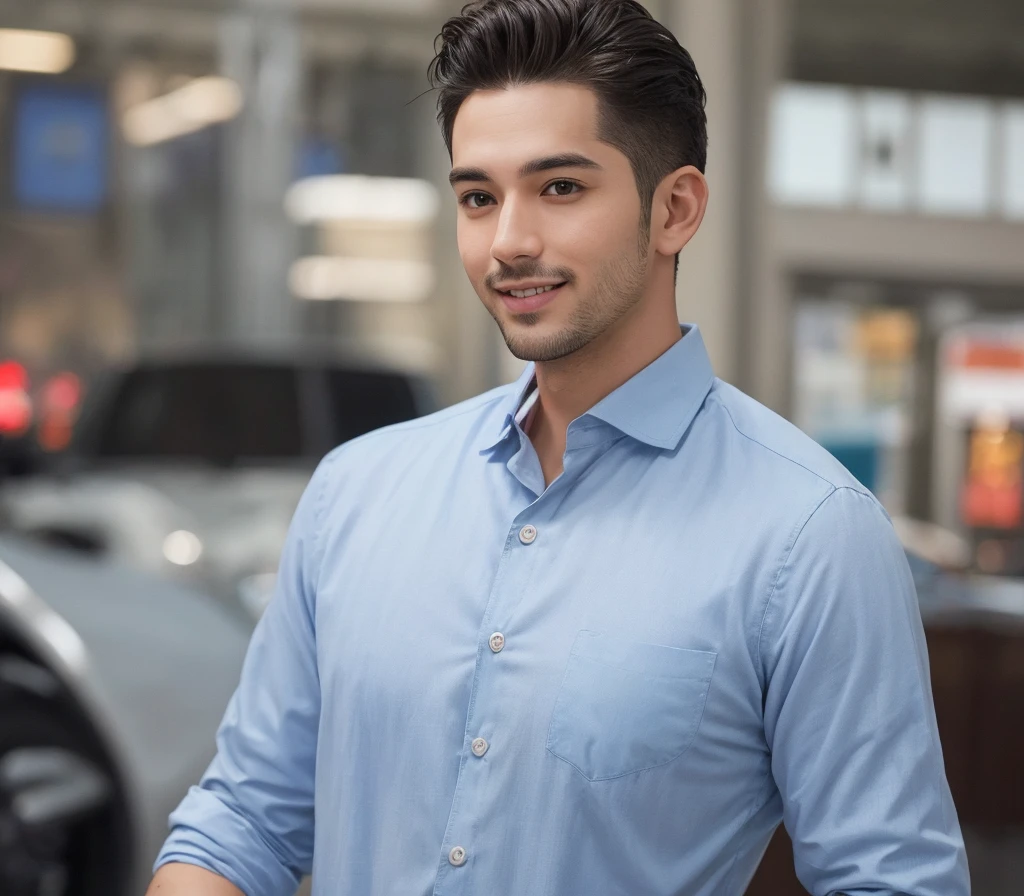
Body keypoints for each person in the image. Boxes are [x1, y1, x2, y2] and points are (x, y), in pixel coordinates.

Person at [147, 1, 969, 894]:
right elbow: (242, 822)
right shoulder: (356, 493)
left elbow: (890, 880)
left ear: (676, 209)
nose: (509, 241)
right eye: (477, 197)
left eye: (561, 188)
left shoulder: (810, 536)